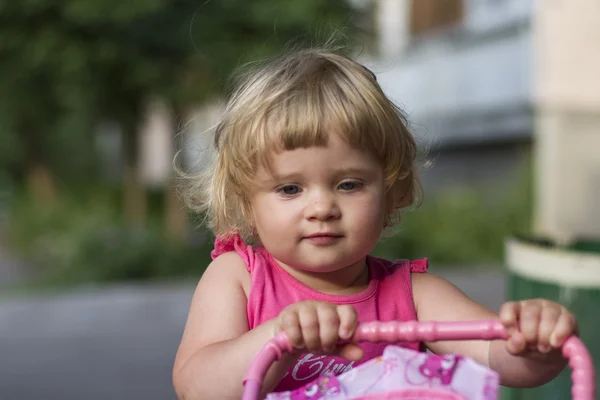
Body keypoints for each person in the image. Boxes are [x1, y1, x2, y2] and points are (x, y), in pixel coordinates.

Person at [172, 47, 578, 400]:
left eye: (348, 184)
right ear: (247, 202)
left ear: (391, 192)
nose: (322, 207)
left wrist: (536, 343)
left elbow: (501, 360)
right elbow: (198, 389)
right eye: (290, 189)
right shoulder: (238, 278)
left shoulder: (415, 296)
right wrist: (280, 338)